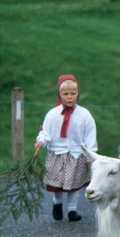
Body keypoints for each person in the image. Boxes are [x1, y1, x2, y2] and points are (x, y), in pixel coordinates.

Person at [35, 74, 98, 222]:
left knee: (74, 184)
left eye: (73, 94)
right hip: (57, 154)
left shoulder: (84, 115)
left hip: (76, 155)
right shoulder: (53, 114)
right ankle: (57, 204)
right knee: (56, 183)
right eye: (65, 94)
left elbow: (90, 135)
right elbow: (46, 132)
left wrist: (91, 154)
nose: (69, 97)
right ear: (59, 94)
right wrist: (41, 141)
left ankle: (72, 209)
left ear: (78, 94)